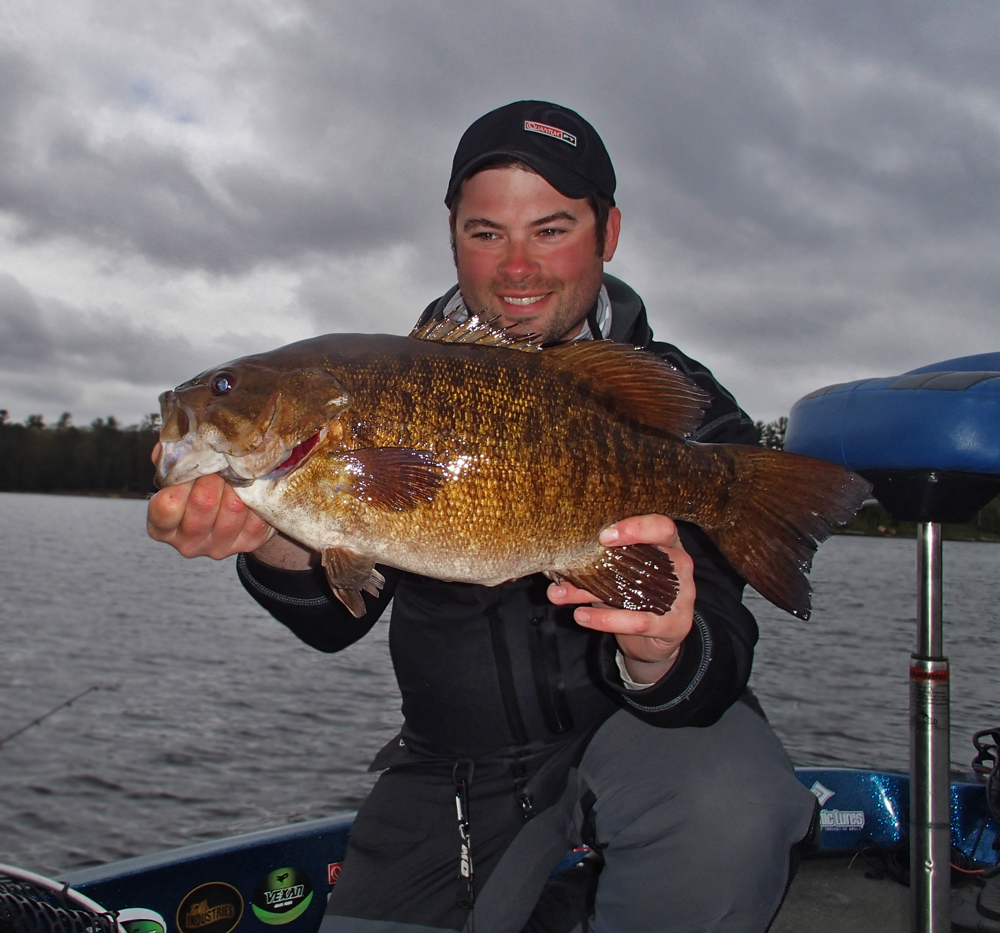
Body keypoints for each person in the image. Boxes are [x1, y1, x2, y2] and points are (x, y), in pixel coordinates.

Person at [148, 101, 818, 933]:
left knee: (731, 806)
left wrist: (663, 651)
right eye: (486, 232)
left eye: (552, 228)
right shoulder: (390, 382)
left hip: (644, 731)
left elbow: (719, 656)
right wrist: (280, 542)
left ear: (608, 232)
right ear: (453, 235)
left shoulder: (678, 408)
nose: (518, 268)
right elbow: (335, 618)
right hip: (454, 761)